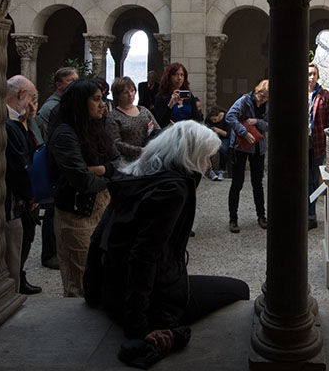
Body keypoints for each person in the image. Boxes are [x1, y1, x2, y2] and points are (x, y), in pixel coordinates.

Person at [83, 121, 249, 368]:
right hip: (153, 302)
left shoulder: (135, 174)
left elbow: (100, 236)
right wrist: (139, 327)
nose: (206, 168)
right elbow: (144, 257)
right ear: (191, 158)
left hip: (113, 290)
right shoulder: (173, 189)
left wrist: (93, 292)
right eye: (205, 159)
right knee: (240, 289)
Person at [48, 78, 120, 297]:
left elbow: (117, 163)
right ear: (80, 102)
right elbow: (81, 180)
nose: (103, 105)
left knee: (101, 271)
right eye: (96, 99)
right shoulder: (65, 134)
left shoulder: (96, 128)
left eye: (103, 99)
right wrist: (109, 175)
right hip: (77, 213)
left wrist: (100, 170)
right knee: (80, 279)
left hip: (101, 208)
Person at [36, 66, 78, 270]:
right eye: (70, 80)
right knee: (52, 211)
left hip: (59, 164)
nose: (74, 83)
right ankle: (49, 253)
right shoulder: (51, 107)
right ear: (59, 84)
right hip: (54, 165)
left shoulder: (64, 105)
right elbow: (46, 138)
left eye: (75, 79)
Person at [4, 75, 42, 294]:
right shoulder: (9, 124)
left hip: (24, 198)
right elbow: (19, 166)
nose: (33, 104)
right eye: (32, 98)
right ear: (20, 95)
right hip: (14, 200)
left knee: (23, 241)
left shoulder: (21, 122)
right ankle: (12, 289)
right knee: (13, 247)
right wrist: (31, 193)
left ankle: (19, 278)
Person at [226, 79, 269, 233]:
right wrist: (245, 132)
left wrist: (257, 121)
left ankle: (261, 216)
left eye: (266, 98)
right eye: (261, 96)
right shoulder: (244, 101)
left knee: (258, 183)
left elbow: (269, 124)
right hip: (240, 147)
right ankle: (233, 219)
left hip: (258, 148)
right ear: (256, 91)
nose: (262, 100)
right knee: (237, 183)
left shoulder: (267, 104)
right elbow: (230, 117)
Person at [106, 76, 160, 162]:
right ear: (118, 95)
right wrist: (139, 150)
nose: (130, 95)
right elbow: (115, 143)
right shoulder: (113, 116)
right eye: (125, 92)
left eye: (132, 91)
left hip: (149, 158)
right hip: (126, 161)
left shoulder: (144, 110)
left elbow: (157, 129)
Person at [307, 63, 329, 230]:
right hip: (301, 143)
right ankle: (304, 213)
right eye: (309, 74)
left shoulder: (325, 95)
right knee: (302, 179)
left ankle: (311, 215)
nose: (311, 77)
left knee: (312, 179)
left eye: (314, 74)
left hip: (316, 142)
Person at [154, 62, 203, 128]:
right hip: (170, 133)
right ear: (169, 77)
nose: (179, 78)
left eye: (182, 75)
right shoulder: (161, 97)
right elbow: (160, 123)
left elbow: (197, 119)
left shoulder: (188, 95)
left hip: (188, 132)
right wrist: (170, 105)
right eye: (175, 75)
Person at [205, 106, 230, 181]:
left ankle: (221, 170)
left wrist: (218, 130)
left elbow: (229, 134)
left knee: (223, 149)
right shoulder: (209, 119)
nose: (214, 122)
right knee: (207, 148)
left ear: (219, 115)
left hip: (224, 137)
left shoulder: (227, 118)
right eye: (212, 120)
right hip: (213, 136)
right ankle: (210, 170)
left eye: (215, 120)